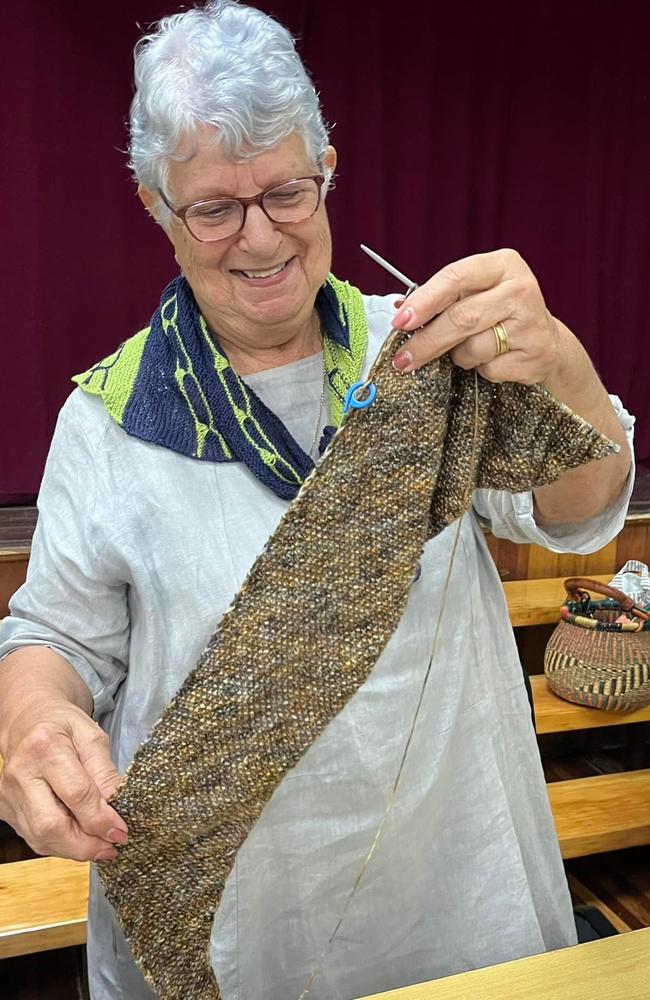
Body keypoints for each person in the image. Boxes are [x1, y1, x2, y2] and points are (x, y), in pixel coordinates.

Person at [0, 2, 634, 998]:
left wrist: (555, 354)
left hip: (458, 904)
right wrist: (31, 719)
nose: (258, 238)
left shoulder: (424, 349)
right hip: (245, 931)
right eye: (212, 208)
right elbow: (56, 638)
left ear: (326, 166)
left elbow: (579, 512)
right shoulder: (111, 422)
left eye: (285, 193)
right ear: (153, 205)